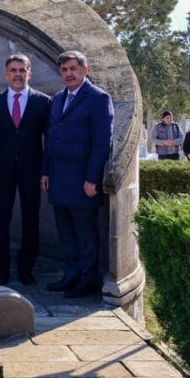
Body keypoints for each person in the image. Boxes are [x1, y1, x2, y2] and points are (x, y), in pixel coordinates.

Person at [43, 50, 114, 299]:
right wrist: (45, 171)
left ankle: (87, 279)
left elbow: (102, 142)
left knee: (85, 234)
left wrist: (92, 178)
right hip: (58, 178)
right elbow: (51, 138)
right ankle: (70, 276)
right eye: (64, 70)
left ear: (85, 70)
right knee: (66, 233)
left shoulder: (98, 98)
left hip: (82, 179)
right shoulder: (57, 98)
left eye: (73, 69)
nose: (69, 74)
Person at [0, 53, 51, 286]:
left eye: (22, 70)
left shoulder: (42, 101)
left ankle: (26, 269)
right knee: (0, 221)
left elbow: (50, 139)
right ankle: (1, 269)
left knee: (30, 220)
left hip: (32, 171)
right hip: (1, 171)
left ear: (29, 73)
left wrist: (45, 171)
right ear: (6, 74)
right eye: (13, 70)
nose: (17, 74)